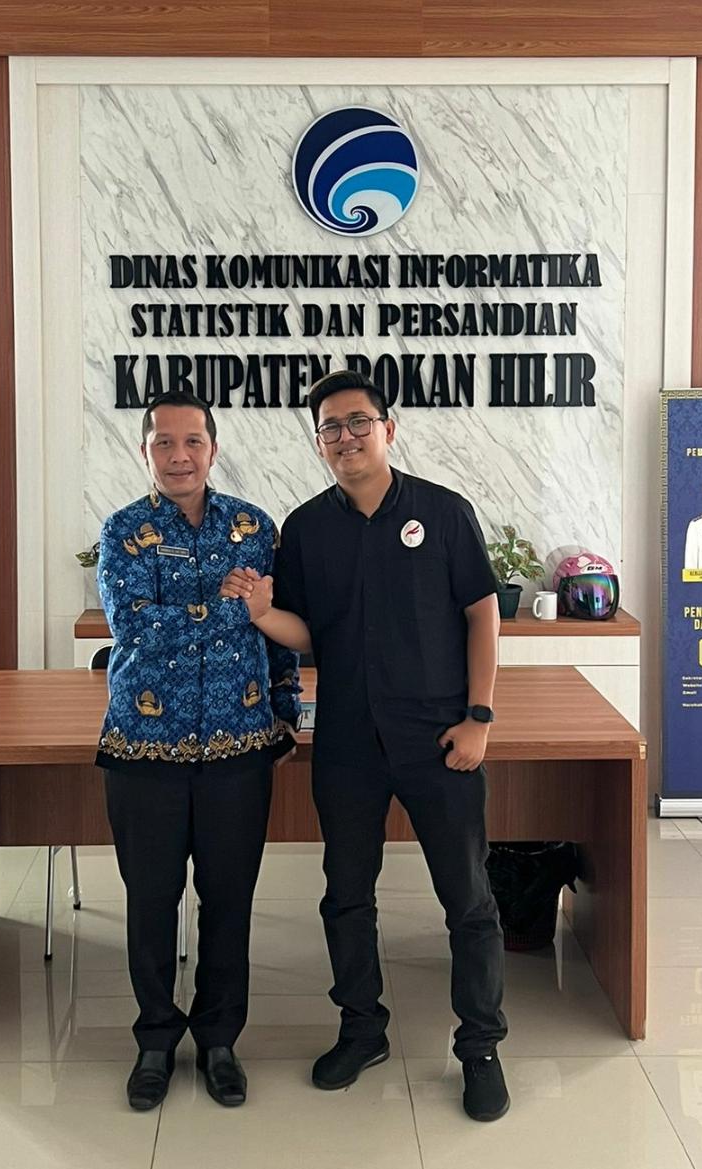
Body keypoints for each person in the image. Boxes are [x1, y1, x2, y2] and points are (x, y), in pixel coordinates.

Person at [221, 370, 510, 1123]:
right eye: (330, 427)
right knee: (347, 893)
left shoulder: (443, 512)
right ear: (318, 442)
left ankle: (480, 1046)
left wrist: (479, 716)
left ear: (388, 428)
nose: (345, 437)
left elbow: (482, 613)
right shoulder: (306, 528)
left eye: (358, 422)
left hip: (438, 734)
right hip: (348, 737)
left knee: (467, 897)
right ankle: (361, 1027)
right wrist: (262, 613)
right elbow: (308, 632)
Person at [96, 389, 300, 1112]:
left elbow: (276, 629)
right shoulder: (123, 531)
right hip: (144, 750)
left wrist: (285, 715)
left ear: (213, 449)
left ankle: (219, 1040)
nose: (178, 455)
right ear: (144, 450)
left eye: (192, 441)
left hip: (238, 749)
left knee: (229, 902)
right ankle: (155, 1039)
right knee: (151, 903)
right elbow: (135, 627)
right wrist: (230, 606)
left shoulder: (254, 528)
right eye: (163, 442)